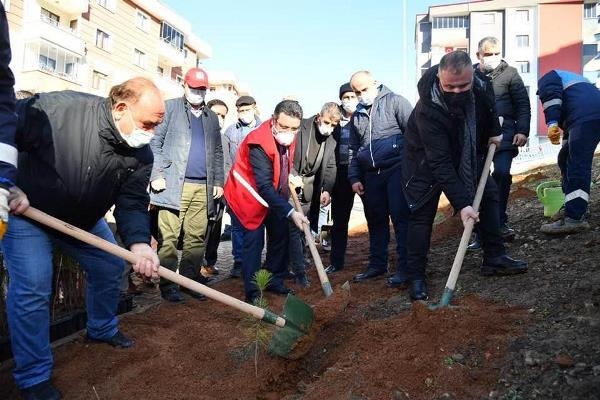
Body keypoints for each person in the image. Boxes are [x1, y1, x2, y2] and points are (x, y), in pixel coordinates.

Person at [2, 76, 163, 399]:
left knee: (109, 266)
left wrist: (140, 244)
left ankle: (101, 328)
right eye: (148, 123)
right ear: (121, 109)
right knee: (33, 285)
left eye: (157, 125)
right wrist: (7, 182)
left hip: (82, 221)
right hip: (29, 213)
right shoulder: (59, 111)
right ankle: (33, 376)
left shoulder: (141, 156)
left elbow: (131, 203)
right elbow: (4, 130)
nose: (151, 133)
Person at [402, 51, 528, 300]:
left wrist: (495, 131)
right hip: (424, 159)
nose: (457, 91)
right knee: (421, 214)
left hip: (468, 149)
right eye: (450, 86)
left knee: (489, 195)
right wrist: (462, 204)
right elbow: (440, 161)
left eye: (463, 85)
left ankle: (494, 256)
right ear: (439, 77)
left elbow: (490, 109)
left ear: (473, 76)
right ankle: (415, 275)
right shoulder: (428, 107)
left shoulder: (481, 85)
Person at [149, 67, 224, 303]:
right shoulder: (170, 108)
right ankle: (168, 285)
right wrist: (156, 174)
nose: (198, 93)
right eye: (194, 88)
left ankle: (189, 281)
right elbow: (154, 143)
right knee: (169, 238)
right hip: (173, 185)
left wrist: (219, 181)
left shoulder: (211, 118)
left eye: (202, 89)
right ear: (185, 86)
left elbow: (218, 151)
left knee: (196, 238)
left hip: (203, 187)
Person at [223, 100, 308, 303]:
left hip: (272, 195)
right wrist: (290, 211)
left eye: (294, 128)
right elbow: (263, 186)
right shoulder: (258, 142)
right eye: (284, 127)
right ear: (273, 120)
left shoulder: (288, 137)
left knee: (280, 234)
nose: (289, 132)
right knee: (254, 241)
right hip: (247, 195)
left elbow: (283, 166)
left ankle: (273, 278)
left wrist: (291, 179)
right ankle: (252, 291)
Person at [347, 71, 413, 285]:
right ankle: (377, 265)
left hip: (396, 170)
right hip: (370, 175)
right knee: (375, 221)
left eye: (364, 89)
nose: (360, 95)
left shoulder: (396, 102)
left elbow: (414, 134)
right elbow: (354, 149)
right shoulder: (356, 115)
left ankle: (406, 268)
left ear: (375, 83)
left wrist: (410, 169)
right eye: (356, 92)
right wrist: (354, 177)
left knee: (401, 218)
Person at [468, 36, 531, 250]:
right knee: (478, 181)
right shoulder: (471, 77)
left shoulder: (511, 74)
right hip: (479, 137)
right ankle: (480, 231)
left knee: (501, 173)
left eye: (496, 53)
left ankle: (500, 222)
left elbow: (523, 104)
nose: (493, 58)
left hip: (505, 134)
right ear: (479, 55)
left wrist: (522, 130)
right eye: (488, 54)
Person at [537, 69, 600, 234]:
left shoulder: (547, 78)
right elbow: (570, 125)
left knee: (577, 164)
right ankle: (572, 204)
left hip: (586, 119)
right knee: (565, 157)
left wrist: (551, 123)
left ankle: (575, 217)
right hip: (588, 116)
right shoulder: (577, 86)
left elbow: (551, 99)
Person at [288, 102, 340, 287]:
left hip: (310, 187)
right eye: (327, 122)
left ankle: (298, 261)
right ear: (319, 116)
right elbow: (287, 153)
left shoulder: (331, 140)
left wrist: (327, 188)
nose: (329, 128)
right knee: (293, 227)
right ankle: (298, 270)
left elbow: (331, 166)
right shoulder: (300, 128)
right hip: (290, 182)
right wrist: (291, 175)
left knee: (303, 228)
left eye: (333, 125)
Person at [223, 95, 261, 278]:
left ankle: (254, 260)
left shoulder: (264, 129)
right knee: (237, 226)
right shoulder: (230, 132)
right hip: (236, 187)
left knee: (256, 226)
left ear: (255, 108)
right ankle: (239, 261)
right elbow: (225, 160)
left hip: (258, 188)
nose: (244, 113)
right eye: (241, 110)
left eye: (247, 109)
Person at [325, 83, 359, 274]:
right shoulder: (335, 120)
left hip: (362, 173)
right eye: (345, 97)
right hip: (340, 173)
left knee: (374, 216)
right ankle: (336, 261)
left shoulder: (364, 117)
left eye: (352, 96)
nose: (349, 100)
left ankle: (378, 261)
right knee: (339, 221)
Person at [202, 99, 229, 276]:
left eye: (223, 116)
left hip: (221, 191)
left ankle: (210, 262)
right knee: (200, 231)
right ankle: (198, 264)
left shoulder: (224, 137)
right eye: (216, 114)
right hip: (202, 190)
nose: (219, 118)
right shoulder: (200, 134)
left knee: (215, 230)